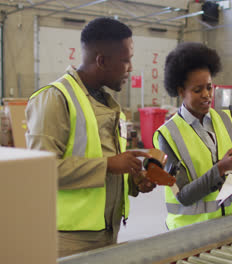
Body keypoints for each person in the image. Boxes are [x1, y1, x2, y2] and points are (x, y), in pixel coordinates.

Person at [25, 17, 156, 257]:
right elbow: (41, 171)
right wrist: (108, 165)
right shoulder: (55, 99)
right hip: (69, 238)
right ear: (102, 61)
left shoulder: (104, 101)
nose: (130, 68)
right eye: (125, 60)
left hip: (107, 231)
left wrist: (133, 182)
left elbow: (99, 162)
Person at [153, 42, 232, 230]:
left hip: (230, 226)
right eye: (197, 90)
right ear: (180, 91)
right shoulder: (167, 135)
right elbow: (183, 195)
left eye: (209, 87)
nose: (206, 95)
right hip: (190, 233)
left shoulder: (224, 120)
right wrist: (219, 169)